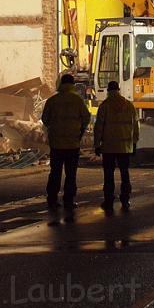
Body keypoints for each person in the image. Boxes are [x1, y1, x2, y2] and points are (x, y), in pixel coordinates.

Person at [41, 73, 90, 210]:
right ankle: (69, 199)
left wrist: (53, 127)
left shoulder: (53, 100)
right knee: (71, 174)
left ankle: (52, 199)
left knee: (55, 172)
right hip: (72, 143)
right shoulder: (78, 100)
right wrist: (80, 130)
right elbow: (86, 118)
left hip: (56, 143)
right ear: (73, 85)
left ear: (61, 84)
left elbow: (45, 119)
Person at [94, 81, 139, 212]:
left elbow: (99, 127)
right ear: (118, 90)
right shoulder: (129, 105)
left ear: (108, 91)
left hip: (108, 147)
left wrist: (97, 144)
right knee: (125, 173)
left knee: (108, 175)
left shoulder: (104, 106)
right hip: (124, 146)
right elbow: (135, 126)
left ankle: (108, 200)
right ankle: (125, 199)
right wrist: (134, 143)